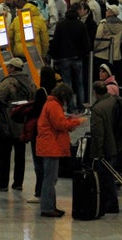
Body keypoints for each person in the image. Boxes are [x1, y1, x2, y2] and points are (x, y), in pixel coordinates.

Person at [36, 84, 86, 218]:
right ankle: (47, 208)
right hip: (51, 146)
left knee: (51, 178)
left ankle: (50, 206)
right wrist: (77, 122)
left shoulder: (52, 104)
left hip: (50, 145)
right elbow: (60, 124)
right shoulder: (54, 105)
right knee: (50, 179)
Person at [0, 58, 36, 192]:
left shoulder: (9, 81)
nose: (7, 68)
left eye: (8, 66)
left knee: (5, 155)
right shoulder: (29, 81)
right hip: (23, 124)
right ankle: (18, 183)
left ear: (12, 68)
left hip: (9, 124)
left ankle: (2, 184)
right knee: (20, 155)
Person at [27, 66, 60, 204]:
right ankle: (46, 193)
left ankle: (40, 192)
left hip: (40, 132)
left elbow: (36, 111)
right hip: (52, 132)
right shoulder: (56, 90)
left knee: (39, 164)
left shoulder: (41, 92)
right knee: (49, 165)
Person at [50, 4, 91, 114]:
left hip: (64, 58)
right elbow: (86, 43)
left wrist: (53, 56)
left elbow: (55, 42)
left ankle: (70, 107)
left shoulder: (60, 24)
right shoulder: (81, 25)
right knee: (79, 83)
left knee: (67, 83)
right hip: (78, 58)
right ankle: (81, 106)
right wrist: (86, 53)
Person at [89, 81, 120, 214]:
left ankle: (110, 204)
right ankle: (111, 203)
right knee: (110, 176)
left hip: (106, 147)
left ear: (95, 93)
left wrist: (97, 152)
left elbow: (98, 134)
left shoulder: (98, 109)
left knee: (105, 177)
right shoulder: (115, 100)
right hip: (117, 143)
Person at [93, 5, 122, 88]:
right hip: (116, 55)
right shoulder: (121, 23)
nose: (106, 11)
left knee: (101, 75)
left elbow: (98, 37)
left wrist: (94, 49)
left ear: (111, 12)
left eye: (107, 10)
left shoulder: (103, 23)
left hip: (102, 54)